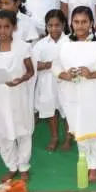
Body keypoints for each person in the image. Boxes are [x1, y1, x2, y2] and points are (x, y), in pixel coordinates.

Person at [52, 6, 96, 184]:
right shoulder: (65, 42)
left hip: (94, 90)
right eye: (76, 22)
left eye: (84, 22)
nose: (80, 26)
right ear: (71, 23)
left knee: (94, 128)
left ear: (91, 23)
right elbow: (55, 65)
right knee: (79, 128)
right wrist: (65, 74)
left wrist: (91, 74)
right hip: (71, 91)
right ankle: (84, 160)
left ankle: (94, 166)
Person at [0, 10, 35, 182]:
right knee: (4, 131)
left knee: (22, 131)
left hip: (18, 94)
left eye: (7, 27)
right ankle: (11, 165)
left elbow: (30, 71)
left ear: (14, 27)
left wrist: (20, 80)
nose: (2, 31)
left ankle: (24, 165)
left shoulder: (23, 46)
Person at [32, 9, 70, 152]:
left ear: (63, 25)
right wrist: (50, 65)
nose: (54, 28)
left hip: (65, 81)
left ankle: (68, 137)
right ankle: (54, 137)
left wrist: (50, 65)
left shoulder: (69, 41)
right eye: (50, 25)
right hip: (47, 82)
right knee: (50, 110)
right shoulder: (40, 44)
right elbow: (34, 64)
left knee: (67, 109)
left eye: (57, 25)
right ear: (46, 26)